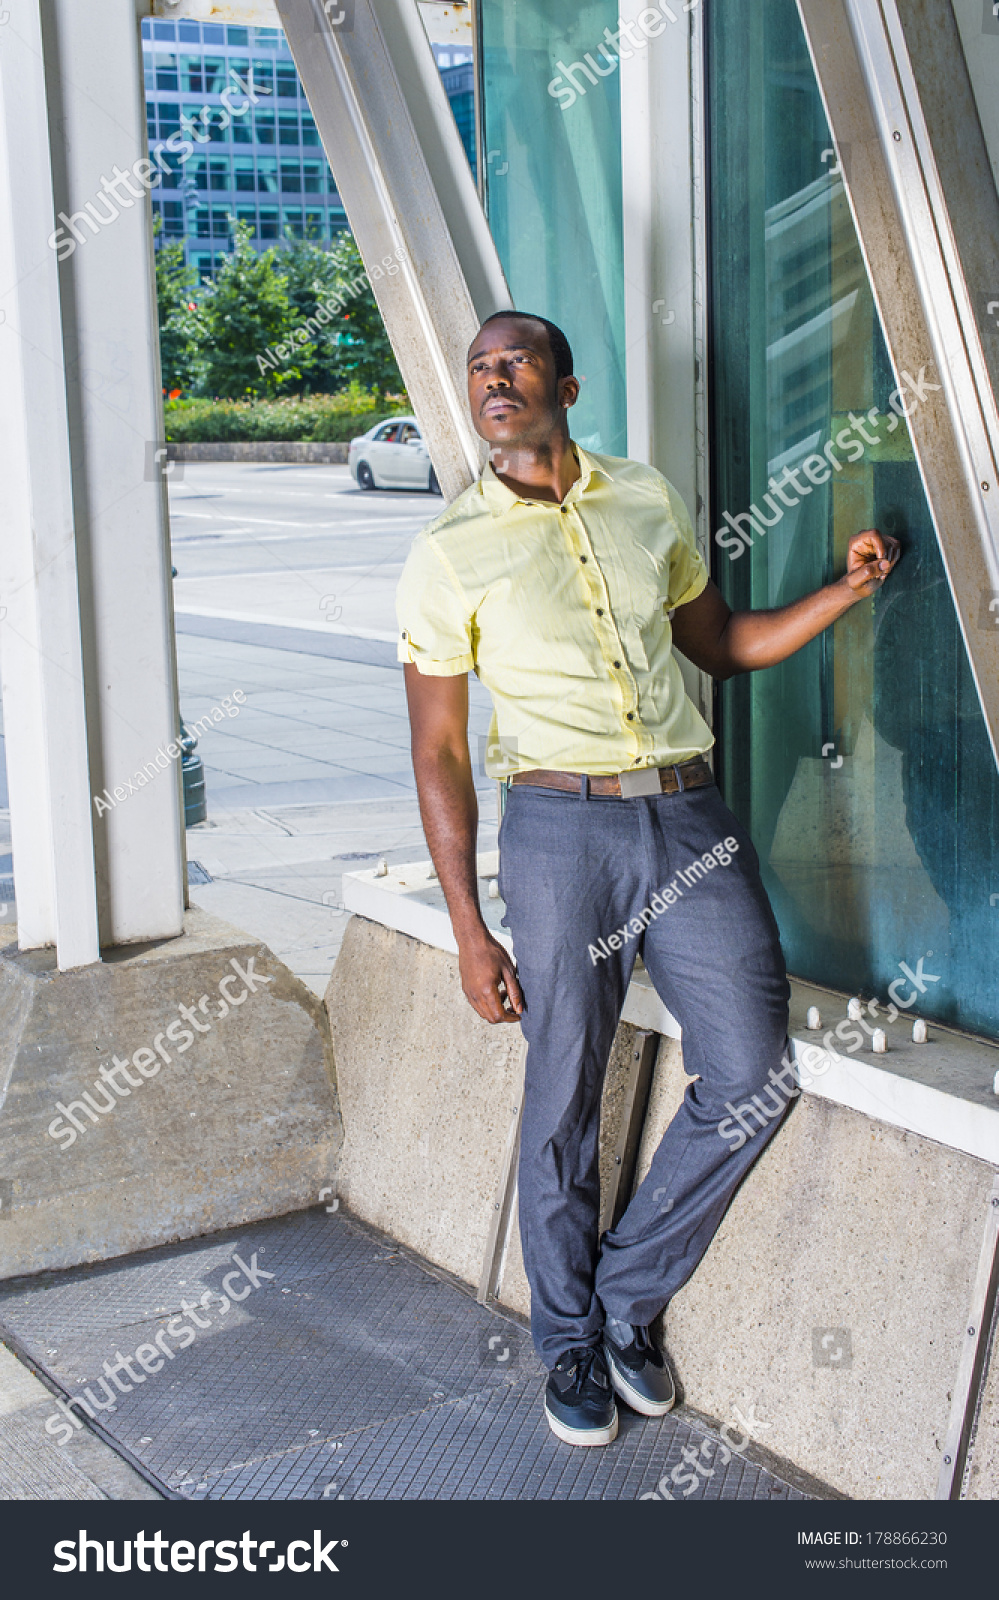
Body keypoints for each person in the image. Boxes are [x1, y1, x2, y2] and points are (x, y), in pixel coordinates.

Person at [396, 311, 900, 1447]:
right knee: (565, 1083)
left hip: (687, 813)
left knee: (753, 1069)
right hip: (557, 831)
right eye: (479, 367)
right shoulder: (447, 551)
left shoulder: (644, 500)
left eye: (515, 361)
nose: (494, 378)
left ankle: (625, 1297)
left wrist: (844, 594)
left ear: (565, 386)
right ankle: (568, 1340)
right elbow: (434, 749)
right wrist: (472, 928)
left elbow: (719, 644)